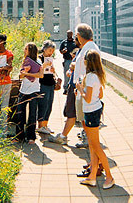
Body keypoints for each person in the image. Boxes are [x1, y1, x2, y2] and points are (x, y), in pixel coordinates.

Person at [48, 23, 99, 145]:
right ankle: (69, 136)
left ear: (79, 36)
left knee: (77, 114)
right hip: (80, 86)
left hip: (82, 87)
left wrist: (73, 66)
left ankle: (83, 139)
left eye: (76, 36)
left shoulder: (89, 49)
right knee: (76, 113)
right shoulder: (89, 47)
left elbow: (88, 66)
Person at [76, 50, 115, 189]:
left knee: (96, 146)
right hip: (94, 109)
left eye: (85, 59)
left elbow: (87, 97)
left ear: (88, 61)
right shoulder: (97, 75)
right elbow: (100, 95)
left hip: (91, 112)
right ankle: (92, 176)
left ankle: (109, 177)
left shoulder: (91, 77)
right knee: (92, 146)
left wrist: (80, 89)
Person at [15, 42, 43, 144]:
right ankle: (19, 136)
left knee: (32, 113)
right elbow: (21, 76)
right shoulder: (25, 61)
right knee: (20, 113)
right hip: (23, 89)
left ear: (31, 50)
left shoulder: (38, 61)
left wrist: (27, 73)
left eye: (26, 49)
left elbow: (41, 75)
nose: (24, 50)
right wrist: (23, 73)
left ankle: (31, 136)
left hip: (34, 90)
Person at [35, 40, 58, 135]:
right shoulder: (39, 58)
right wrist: (44, 66)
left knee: (49, 104)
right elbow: (37, 70)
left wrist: (53, 70)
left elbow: (53, 72)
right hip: (42, 83)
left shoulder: (51, 58)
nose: (51, 52)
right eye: (49, 50)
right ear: (44, 49)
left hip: (51, 83)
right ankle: (40, 125)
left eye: (52, 50)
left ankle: (45, 124)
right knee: (43, 104)